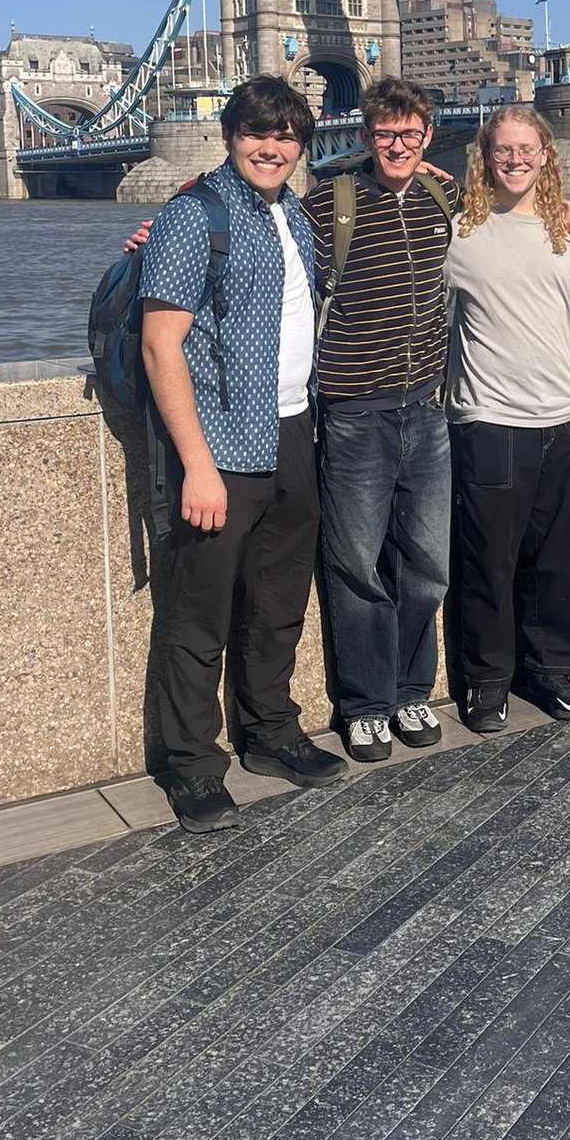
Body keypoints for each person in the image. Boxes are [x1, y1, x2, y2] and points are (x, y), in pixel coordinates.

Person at [304, 76, 570, 762]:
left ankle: (414, 692)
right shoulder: (339, 206)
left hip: (431, 412)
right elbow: (268, 220)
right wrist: (189, 201)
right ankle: (368, 704)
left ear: (429, 137)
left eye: (410, 134)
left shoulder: (448, 206)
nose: (398, 145)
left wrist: (567, 204)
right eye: (385, 134)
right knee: (359, 566)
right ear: (364, 137)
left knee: (429, 567)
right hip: (367, 412)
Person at [139, 75, 345, 832]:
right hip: (220, 443)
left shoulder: (296, 213)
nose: (272, 148)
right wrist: (196, 464)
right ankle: (193, 765)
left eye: (287, 136)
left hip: (293, 430)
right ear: (230, 136)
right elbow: (160, 345)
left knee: (279, 600)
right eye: (258, 133)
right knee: (199, 613)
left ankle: (270, 731)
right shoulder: (193, 214)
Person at [445, 108, 570, 733]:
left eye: (527, 149)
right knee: (488, 562)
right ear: (484, 156)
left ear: (546, 155)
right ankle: (487, 683)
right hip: (489, 420)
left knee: (561, 562)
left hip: (565, 419)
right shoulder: (457, 230)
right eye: (502, 149)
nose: (515, 160)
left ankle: (552, 671)